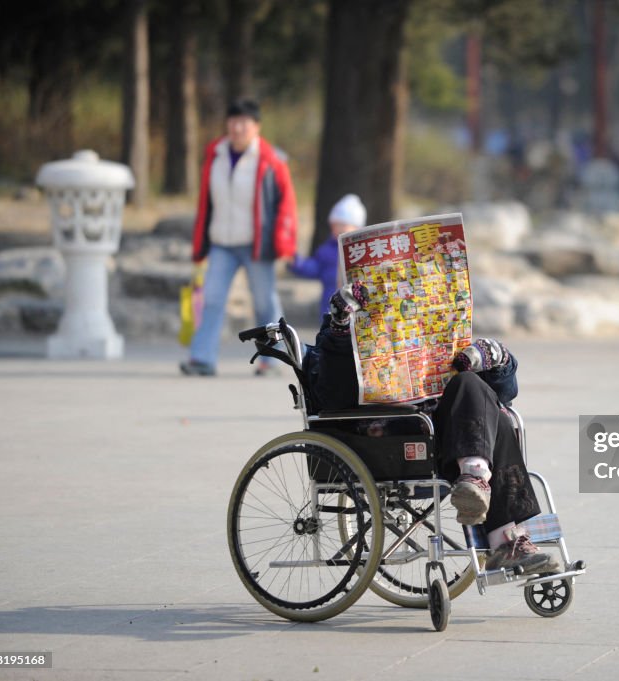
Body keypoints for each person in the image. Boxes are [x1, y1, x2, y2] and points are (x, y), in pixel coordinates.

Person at [312, 282, 559, 574]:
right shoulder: (340, 336)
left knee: (485, 398)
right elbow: (332, 396)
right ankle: (499, 528)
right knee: (491, 416)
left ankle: (498, 527)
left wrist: (499, 361)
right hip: (391, 440)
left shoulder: (440, 333)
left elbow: (503, 395)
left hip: (450, 442)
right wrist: (341, 325)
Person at [180, 98, 298, 377]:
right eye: (233, 122)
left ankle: (274, 360)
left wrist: (284, 242)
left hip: (256, 244)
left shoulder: (271, 160)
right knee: (212, 298)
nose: (237, 128)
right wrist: (200, 243)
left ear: (256, 127)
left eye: (244, 122)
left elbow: (287, 203)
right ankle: (202, 359)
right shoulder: (215, 155)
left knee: (265, 302)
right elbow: (205, 202)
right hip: (222, 242)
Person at [288, 194, 366, 323]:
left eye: (343, 225)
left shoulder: (361, 252)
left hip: (355, 310)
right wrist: (296, 262)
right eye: (335, 226)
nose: (338, 229)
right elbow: (314, 268)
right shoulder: (326, 250)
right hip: (330, 309)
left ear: (357, 228)